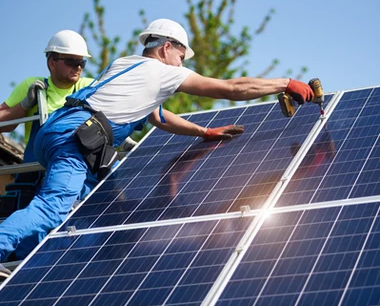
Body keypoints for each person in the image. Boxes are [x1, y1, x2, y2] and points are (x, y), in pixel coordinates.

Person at [0, 18, 315, 280]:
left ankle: (46, 271)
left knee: (101, 209)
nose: (182, 65)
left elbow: (158, 115)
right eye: (182, 58)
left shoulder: (124, 64)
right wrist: (285, 83)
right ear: (167, 48)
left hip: (58, 132)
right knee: (51, 207)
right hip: (75, 140)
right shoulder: (165, 72)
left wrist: (204, 131)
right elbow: (231, 88)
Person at [0, 30, 94, 261]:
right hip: (34, 178)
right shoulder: (34, 87)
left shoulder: (89, 87)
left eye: (81, 62)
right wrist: (23, 106)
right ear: (52, 62)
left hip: (72, 178)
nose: (78, 67)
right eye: (72, 61)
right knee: (26, 250)